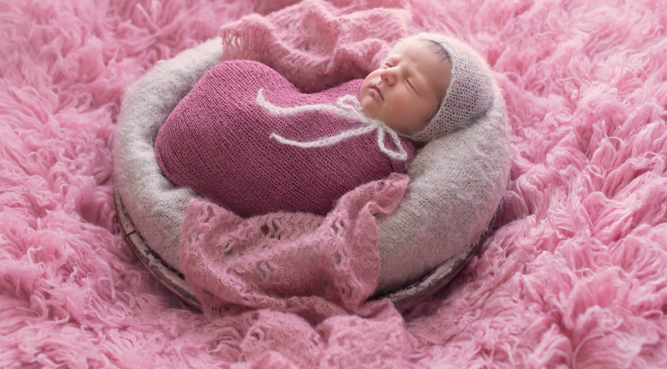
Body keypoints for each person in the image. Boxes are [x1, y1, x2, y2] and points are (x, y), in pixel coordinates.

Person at [154, 32, 493, 217]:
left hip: (261, 181)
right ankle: (191, 139)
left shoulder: (392, 163)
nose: (387, 75)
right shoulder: (350, 92)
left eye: (411, 83)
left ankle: (204, 157)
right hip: (240, 121)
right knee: (237, 76)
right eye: (391, 63)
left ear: (431, 125)